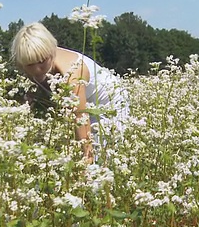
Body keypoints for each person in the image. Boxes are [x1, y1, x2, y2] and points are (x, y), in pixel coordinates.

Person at [11, 22, 129, 163]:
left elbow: (80, 116)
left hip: (109, 101)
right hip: (80, 107)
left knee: (104, 157)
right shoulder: (27, 62)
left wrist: (87, 160)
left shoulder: (72, 73)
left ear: (51, 52)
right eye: (30, 65)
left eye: (42, 61)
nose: (37, 70)